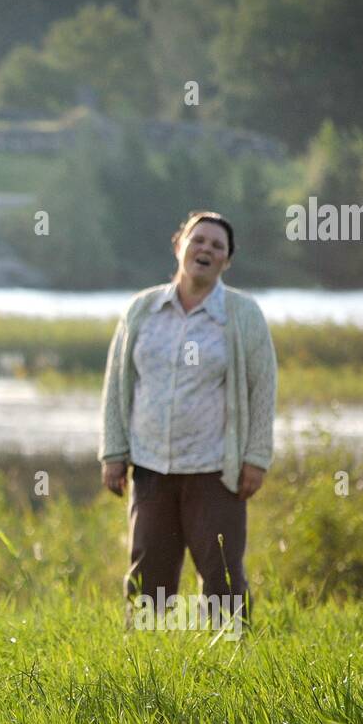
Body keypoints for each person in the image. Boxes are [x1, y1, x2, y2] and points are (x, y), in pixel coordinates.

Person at [98, 211, 277, 630]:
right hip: (150, 466)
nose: (206, 250)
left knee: (222, 575)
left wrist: (256, 457)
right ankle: (144, 664)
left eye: (217, 246)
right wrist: (113, 453)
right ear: (179, 245)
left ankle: (230, 658)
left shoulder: (243, 314)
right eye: (199, 240)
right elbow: (118, 383)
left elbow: (262, 390)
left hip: (215, 468)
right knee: (149, 576)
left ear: (227, 261)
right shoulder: (143, 309)